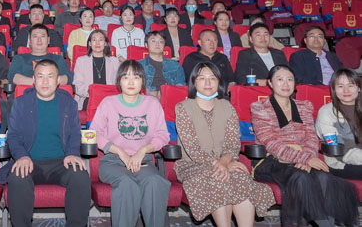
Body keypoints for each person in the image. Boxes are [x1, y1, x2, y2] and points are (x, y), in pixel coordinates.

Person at [251, 66, 358, 227]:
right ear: (270, 83)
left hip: (302, 160)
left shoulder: (304, 106)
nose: (285, 84)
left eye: (290, 79)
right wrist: (305, 159)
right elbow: (272, 144)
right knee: (302, 178)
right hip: (271, 161)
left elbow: (311, 138)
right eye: (280, 79)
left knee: (325, 178)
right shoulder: (260, 108)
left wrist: (307, 158)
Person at [175, 62, 274, 227]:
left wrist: (225, 161)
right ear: (194, 82)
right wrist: (220, 164)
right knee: (219, 179)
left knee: (241, 179)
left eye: (212, 78)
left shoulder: (227, 106)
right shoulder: (183, 108)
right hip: (192, 165)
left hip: (225, 162)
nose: (208, 83)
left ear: (219, 82)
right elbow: (192, 148)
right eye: (202, 78)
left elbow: (233, 142)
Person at [5, 59, 91, 227]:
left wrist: (72, 153)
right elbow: (13, 136)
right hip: (30, 162)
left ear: (58, 80)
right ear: (34, 79)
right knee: (18, 177)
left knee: (80, 176)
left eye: (50, 76)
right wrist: (22, 156)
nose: (45, 81)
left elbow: (75, 134)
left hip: (61, 162)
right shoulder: (21, 104)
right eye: (40, 76)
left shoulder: (68, 103)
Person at [90, 60, 171, 227]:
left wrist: (144, 150)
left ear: (143, 81)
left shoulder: (152, 104)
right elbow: (94, 133)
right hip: (112, 162)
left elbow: (163, 135)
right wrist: (119, 151)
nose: (131, 82)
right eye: (126, 77)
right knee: (127, 184)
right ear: (119, 81)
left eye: (136, 77)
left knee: (155, 182)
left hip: (143, 162)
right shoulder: (108, 103)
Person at [316, 68, 362, 179]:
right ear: (334, 90)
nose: (346, 90)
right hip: (341, 162)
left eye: (350, 85)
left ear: (359, 88)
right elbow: (339, 151)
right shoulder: (327, 112)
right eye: (340, 86)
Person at [8, 24, 72, 85]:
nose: (39, 40)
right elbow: (13, 77)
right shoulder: (19, 58)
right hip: (26, 91)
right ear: (30, 41)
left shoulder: (58, 59)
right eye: (35, 36)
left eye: (43, 36)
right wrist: (42, 83)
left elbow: (67, 78)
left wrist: (43, 84)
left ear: (48, 40)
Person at [72, 30, 120, 110]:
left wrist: (107, 94)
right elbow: (77, 86)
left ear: (105, 43)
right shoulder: (81, 61)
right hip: (88, 98)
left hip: (109, 99)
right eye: (94, 40)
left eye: (101, 40)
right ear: (90, 43)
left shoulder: (114, 61)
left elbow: (118, 84)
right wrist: (94, 93)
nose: (97, 43)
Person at [138, 31, 185, 98]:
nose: (157, 44)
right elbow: (133, 86)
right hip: (146, 99)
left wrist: (167, 93)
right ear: (146, 45)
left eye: (161, 41)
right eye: (153, 41)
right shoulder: (138, 65)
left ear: (164, 45)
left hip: (169, 98)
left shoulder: (175, 66)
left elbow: (180, 87)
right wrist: (149, 93)